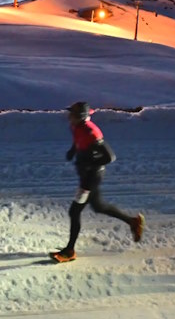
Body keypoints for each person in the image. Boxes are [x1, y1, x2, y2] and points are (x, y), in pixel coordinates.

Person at [51, 102, 144, 262]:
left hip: (91, 177)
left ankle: (69, 251)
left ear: (79, 117)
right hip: (86, 174)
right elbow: (77, 139)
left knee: (74, 211)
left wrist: (88, 163)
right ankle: (133, 221)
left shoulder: (91, 132)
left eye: (71, 114)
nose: (68, 117)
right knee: (98, 206)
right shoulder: (76, 127)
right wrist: (73, 151)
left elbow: (109, 157)